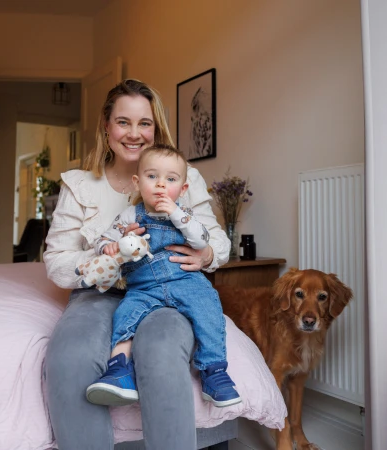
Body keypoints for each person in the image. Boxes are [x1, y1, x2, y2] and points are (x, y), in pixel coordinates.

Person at [43, 79, 231, 450]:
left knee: (161, 351)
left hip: (167, 291)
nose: (134, 134)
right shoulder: (78, 185)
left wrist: (205, 255)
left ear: (156, 127)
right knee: (69, 357)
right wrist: (108, 257)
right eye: (123, 122)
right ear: (106, 126)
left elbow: (218, 242)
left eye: (144, 123)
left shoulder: (183, 177)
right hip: (98, 293)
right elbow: (57, 263)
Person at [83, 144, 242, 409]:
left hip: (185, 280)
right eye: (152, 177)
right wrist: (108, 246)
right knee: (124, 316)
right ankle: (119, 370)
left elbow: (201, 240)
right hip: (143, 287)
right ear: (137, 182)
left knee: (208, 308)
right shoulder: (130, 215)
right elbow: (104, 239)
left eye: (170, 179)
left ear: (182, 189)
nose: (160, 185)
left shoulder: (186, 215)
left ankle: (214, 371)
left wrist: (176, 213)